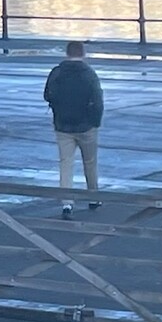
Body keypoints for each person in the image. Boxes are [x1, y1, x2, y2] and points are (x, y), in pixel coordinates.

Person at [43, 40, 103, 218]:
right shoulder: (89, 74)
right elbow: (98, 101)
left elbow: (47, 94)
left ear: (66, 53)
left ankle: (67, 203)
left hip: (62, 126)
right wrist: (95, 122)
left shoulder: (57, 72)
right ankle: (93, 197)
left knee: (65, 164)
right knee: (90, 163)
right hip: (86, 126)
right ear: (83, 53)